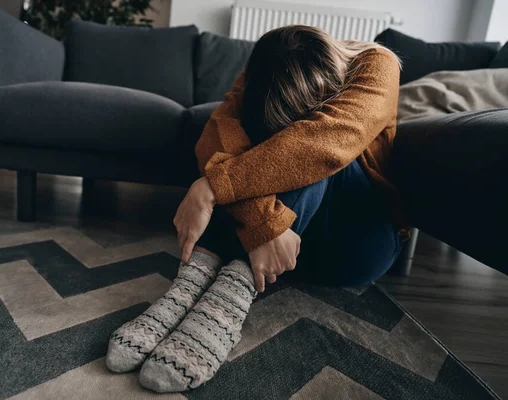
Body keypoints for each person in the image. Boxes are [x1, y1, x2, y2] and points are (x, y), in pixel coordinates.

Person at [106, 25, 406, 392]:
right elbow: (218, 130)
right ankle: (186, 290)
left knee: (308, 148)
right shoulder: (263, 65)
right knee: (240, 146)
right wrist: (263, 221)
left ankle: (225, 306)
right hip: (281, 244)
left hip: (356, 246)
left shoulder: (377, 63)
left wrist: (211, 186)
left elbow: (326, 144)